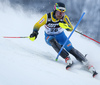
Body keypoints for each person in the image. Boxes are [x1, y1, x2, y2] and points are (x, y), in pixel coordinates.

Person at [29, 2, 98, 77]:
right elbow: (37, 25)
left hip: (61, 36)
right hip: (49, 36)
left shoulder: (64, 18)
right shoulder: (47, 17)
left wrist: (65, 26)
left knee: (70, 48)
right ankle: (67, 58)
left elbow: (71, 28)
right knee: (52, 41)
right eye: (59, 13)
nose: (60, 15)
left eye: (62, 13)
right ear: (55, 11)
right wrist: (35, 33)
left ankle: (87, 63)